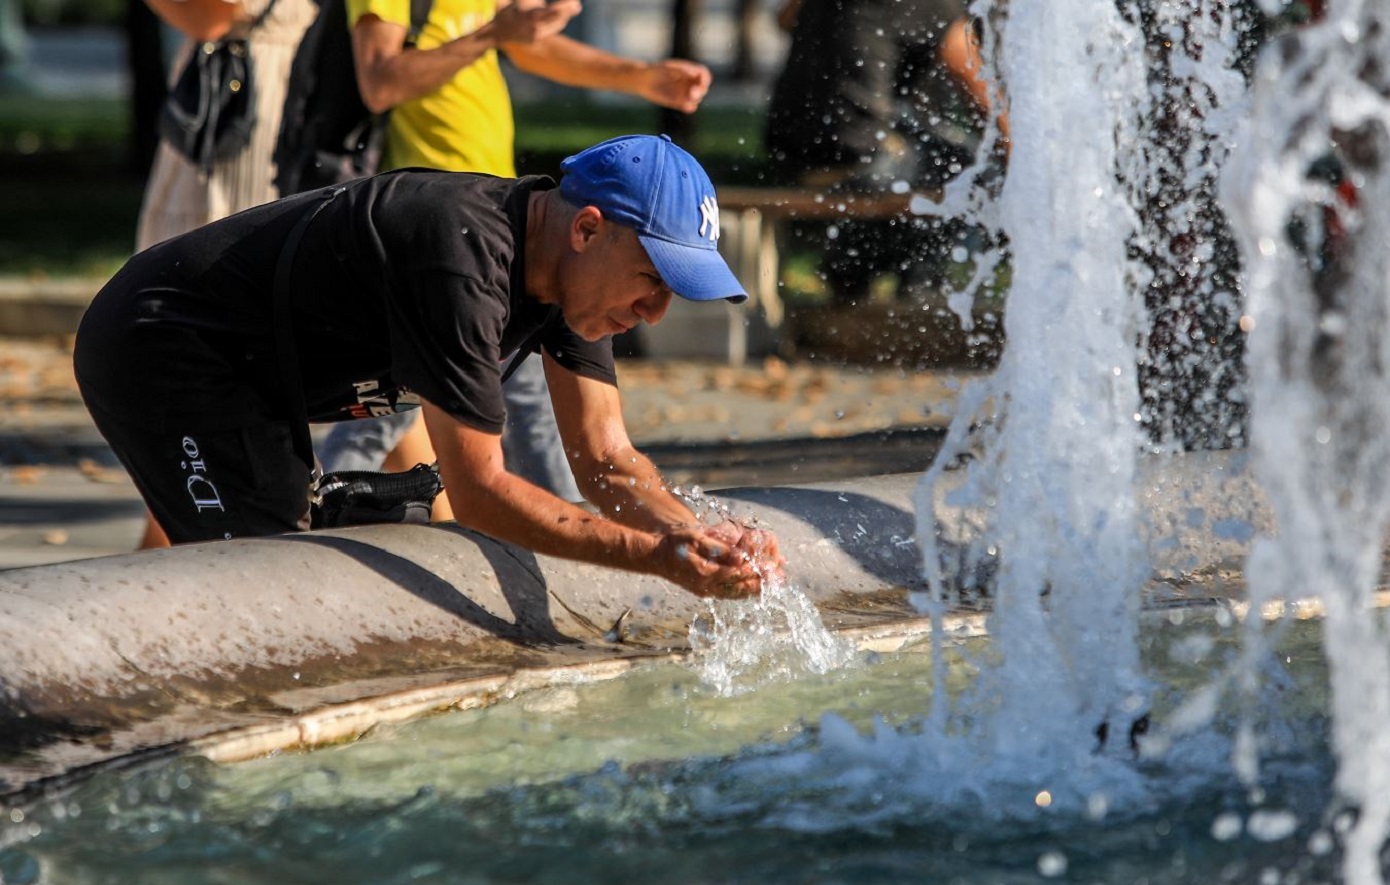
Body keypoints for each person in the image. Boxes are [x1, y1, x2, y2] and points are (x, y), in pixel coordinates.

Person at [74, 135, 782, 600]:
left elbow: (606, 459)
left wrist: (699, 539)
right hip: (164, 345)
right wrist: (655, 557)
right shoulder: (461, 254)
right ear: (588, 228)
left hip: (263, 374)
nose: (654, 312)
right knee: (258, 580)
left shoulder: (574, 283)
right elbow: (483, 495)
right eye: (652, 279)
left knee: (311, 557)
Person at [314, 0, 716, 511]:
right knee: (389, 413)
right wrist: (491, 33)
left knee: (531, 414)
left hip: (509, 224)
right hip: (431, 233)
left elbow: (529, 46)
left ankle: (562, 540)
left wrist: (640, 77)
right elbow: (381, 81)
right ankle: (322, 522)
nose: (655, 311)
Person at [134, 0, 318, 548]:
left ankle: (154, 582)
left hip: (248, 122)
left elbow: (211, 14)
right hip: (278, 110)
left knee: (190, 328)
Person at [764, 0, 1006, 305]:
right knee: (974, 169)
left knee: (917, 143)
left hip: (790, 147)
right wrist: (1017, 154)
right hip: (859, 155)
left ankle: (853, 271)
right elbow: (979, 91)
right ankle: (919, 283)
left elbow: (785, 19)